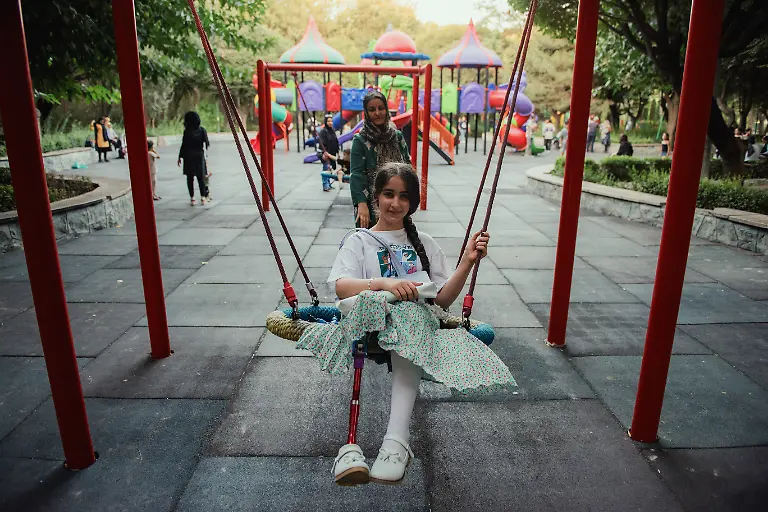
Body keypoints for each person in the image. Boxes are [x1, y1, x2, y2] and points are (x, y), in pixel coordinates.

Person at [296, 162, 515, 486]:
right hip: (368, 319)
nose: (395, 203)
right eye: (388, 194)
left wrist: (468, 261)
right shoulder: (360, 240)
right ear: (376, 196)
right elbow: (342, 286)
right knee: (392, 310)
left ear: (412, 202)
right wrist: (384, 284)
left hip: (410, 324)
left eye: (403, 196)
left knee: (412, 316)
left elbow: (441, 300)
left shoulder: (423, 242)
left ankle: (395, 443)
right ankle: (361, 445)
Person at [350, 90, 410, 228]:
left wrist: (408, 199)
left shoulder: (397, 136)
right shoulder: (360, 140)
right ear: (366, 113)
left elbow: (407, 166)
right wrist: (361, 203)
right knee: (369, 243)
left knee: (398, 240)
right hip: (370, 202)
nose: (377, 113)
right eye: (372, 109)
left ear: (386, 110)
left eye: (381, 108)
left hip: (397, 200)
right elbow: (356, 174)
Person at [177, 111, 210, 205]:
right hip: (199, 156)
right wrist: (206, 158)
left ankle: (192, 198)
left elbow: (183, 145)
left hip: (188, 156)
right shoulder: (202, 130)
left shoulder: (186, 132)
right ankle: (203, 197)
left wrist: (180, 157)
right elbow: (207, 144)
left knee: (189, 178)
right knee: (201, 178)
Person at [317, 114, 343, 192]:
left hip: (332, 153)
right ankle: (325, 185)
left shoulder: (332, 130)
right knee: (326, 168)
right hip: (326, 153)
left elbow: (336, 142)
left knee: (330, 169)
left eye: (331, 121)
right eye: (328, 121)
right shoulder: (323, 131)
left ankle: (328, 184)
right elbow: (321, 143)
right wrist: (325, 153)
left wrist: (337, 152)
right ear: (325, 122)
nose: (330, 122)